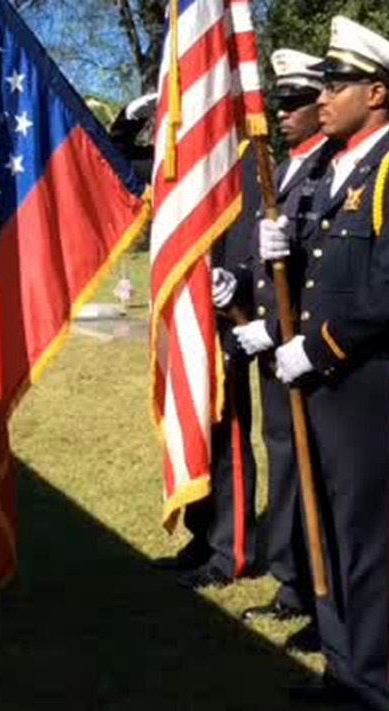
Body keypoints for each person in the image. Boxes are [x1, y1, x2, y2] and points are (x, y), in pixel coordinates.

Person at [258, 16, 389, 711]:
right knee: (330, 531)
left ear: (376, 91)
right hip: (324, 380)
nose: (324, 94)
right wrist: (282, 254)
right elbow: (318, 278)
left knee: (373, 540)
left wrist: (317, 347)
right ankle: (342, 666)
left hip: (373, 380)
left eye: (336, 83)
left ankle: (378, 687)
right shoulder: (334, 168)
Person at [230, 48, 335, 639]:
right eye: (280, 102)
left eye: (296, 101)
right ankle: (294, 581)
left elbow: (321, 269)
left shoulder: (331, 166)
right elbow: (268, 257)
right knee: (284, 465)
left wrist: (276, 329)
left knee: (314, 471)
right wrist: (239, 284)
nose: (285, 112)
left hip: (310, 345)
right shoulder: (285, 165)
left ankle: (325, 596)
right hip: (276, 348)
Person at [139, 97, 261, 590]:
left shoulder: (246, 155)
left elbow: (253, 228)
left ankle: (232, 548)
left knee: (227, 434)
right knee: (192, 429)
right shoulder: (188, 155)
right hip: (189, 309)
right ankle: (202, 533)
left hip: (228, 309)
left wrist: (237, 284)